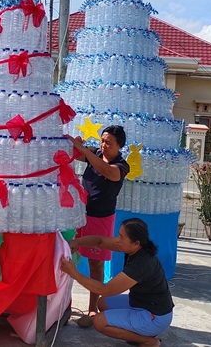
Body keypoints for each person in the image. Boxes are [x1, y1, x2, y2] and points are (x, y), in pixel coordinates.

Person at [61, 218, 174, 347]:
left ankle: (148, 341)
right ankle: (140, 334)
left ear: (136, 243)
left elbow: (105, 289)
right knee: (102, 303)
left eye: (121, 237)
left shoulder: (141, 264)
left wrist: (74, 273)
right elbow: (100, 241)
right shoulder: (136, 247)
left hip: (155, 316)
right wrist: (77, 242)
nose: (117, 240)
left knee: (99, 321)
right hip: (141, 303)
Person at [66, 125, 130, 327]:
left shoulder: (121, 165)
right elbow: (75, 154)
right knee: (68, 254)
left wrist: (84, 150)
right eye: (102, 141)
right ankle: (63, 304)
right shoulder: (94, 153)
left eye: (109, 142)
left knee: (96, 264)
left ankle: (92, 309)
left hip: (101, 219)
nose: (103, 145)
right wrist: (74, 143)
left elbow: (105, 170)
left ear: (120, 145)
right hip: (79, 215)